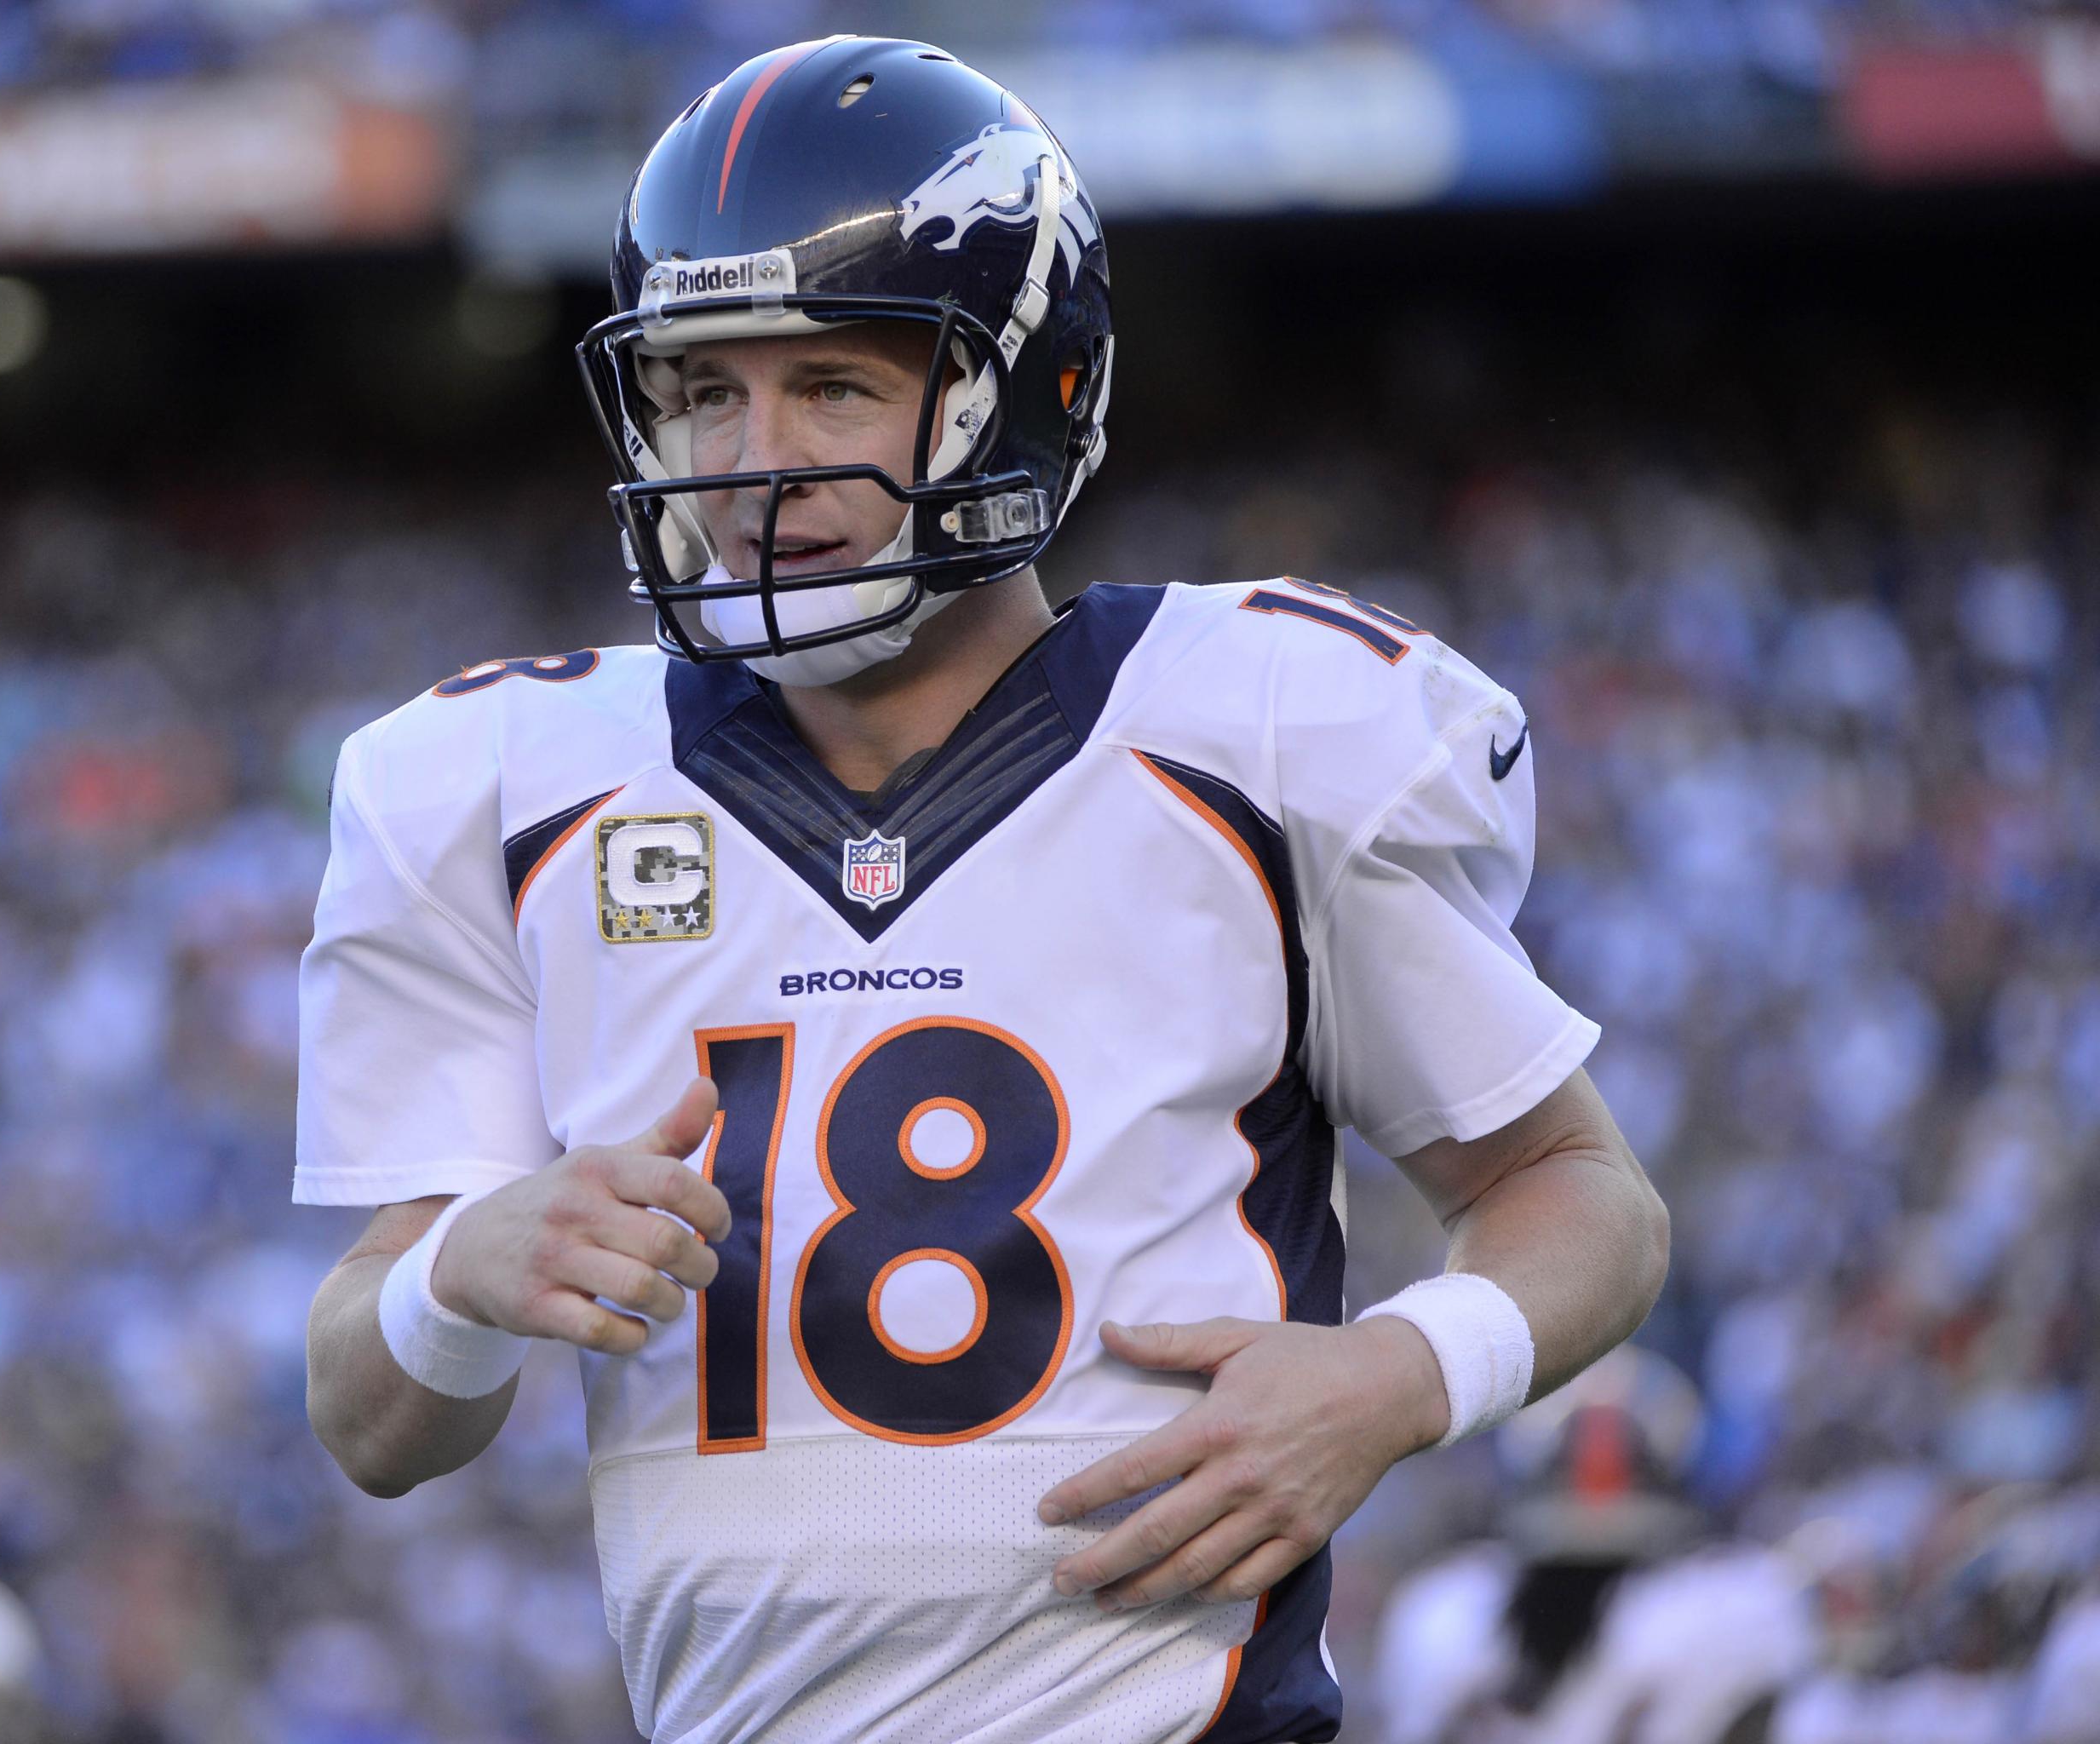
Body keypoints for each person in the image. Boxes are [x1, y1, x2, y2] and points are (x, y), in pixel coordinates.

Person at [297, 35, 1670, 1744]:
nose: (753, 460)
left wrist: (1395, 1378)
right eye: (704, 391)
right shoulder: (499, 783)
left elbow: (1582, 1191)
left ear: (1029, 391)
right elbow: (371, 1422)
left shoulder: (1255, 732)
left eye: (834, 387)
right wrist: (456, 1277)